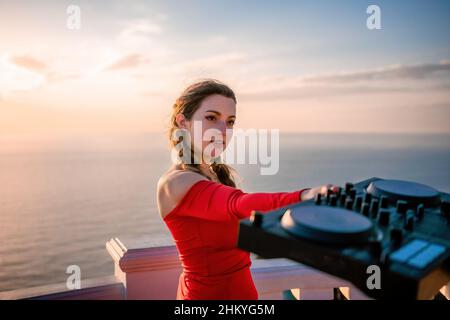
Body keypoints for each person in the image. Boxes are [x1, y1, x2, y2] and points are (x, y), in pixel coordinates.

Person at [157, 79, 338, 299]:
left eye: (230, 121)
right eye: (212, 118)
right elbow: (239, 204)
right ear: (183, 123)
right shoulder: (176, 182)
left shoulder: (214, 175)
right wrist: (305, 196)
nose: (224, 131)